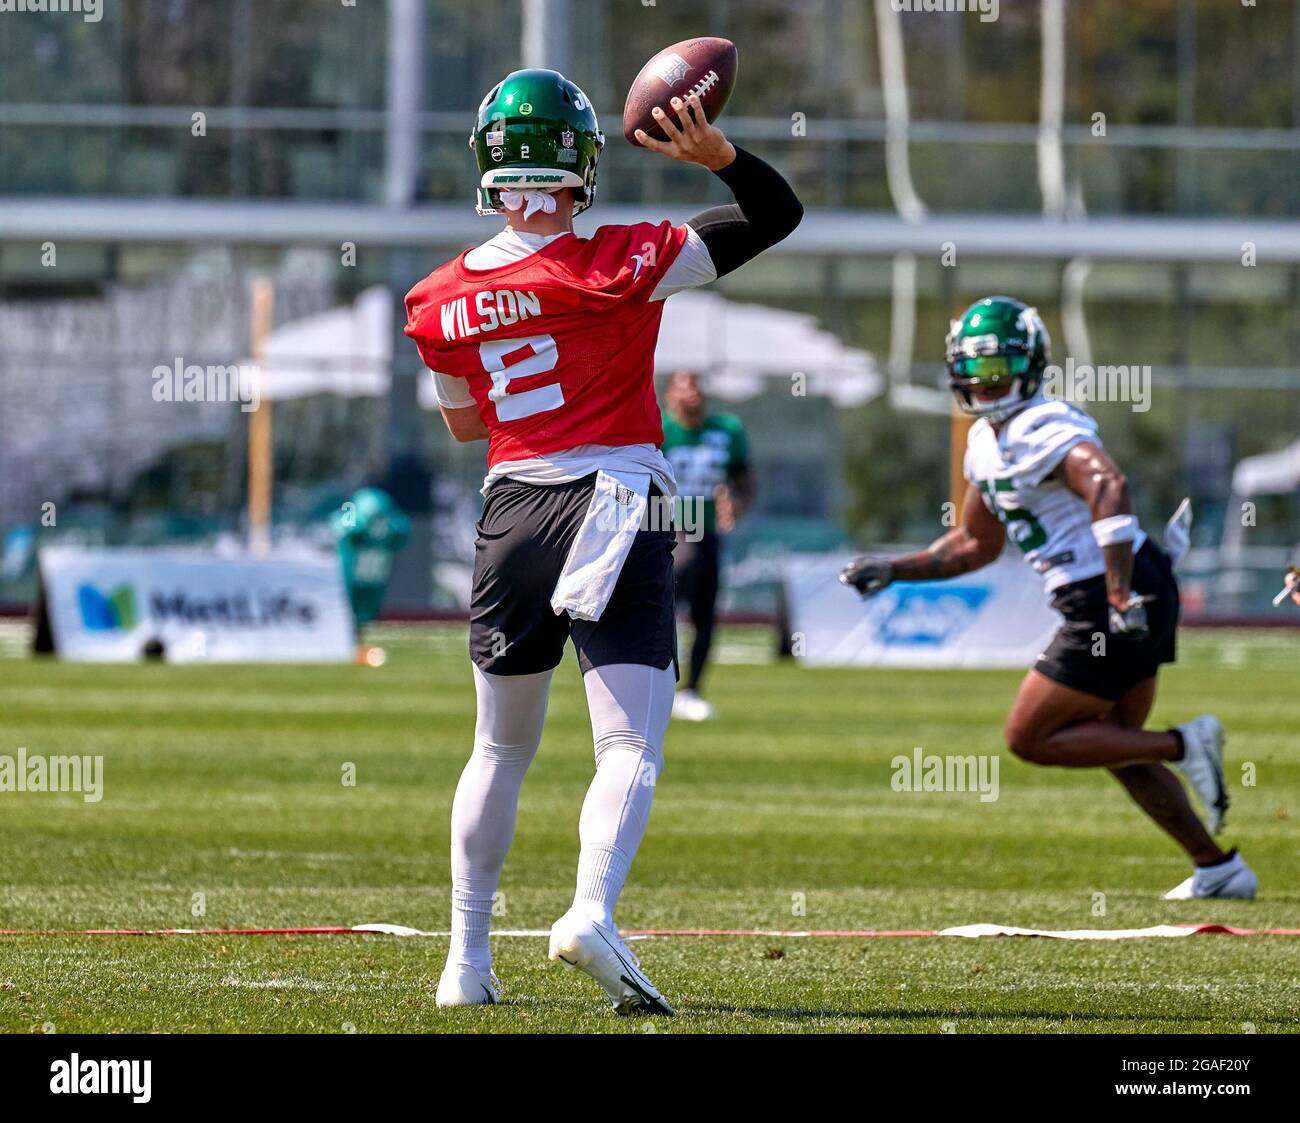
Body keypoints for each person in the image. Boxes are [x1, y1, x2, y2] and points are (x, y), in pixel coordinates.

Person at [404, 68, 801, 1013]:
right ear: (584, 161)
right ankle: (588, 909)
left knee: (498, 749)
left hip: (509, 512)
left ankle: (465, 962)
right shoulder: (626, 256)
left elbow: (467, 426)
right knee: (628, 742)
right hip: (618, 501)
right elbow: (775, 215)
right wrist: (721, 155)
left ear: (488, 164)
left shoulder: (436, 299)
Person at [840, 296, 1257, 901]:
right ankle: (1217, 866)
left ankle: (1188, 743)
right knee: (1112, 740)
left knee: (1029, 737)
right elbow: (972, 545)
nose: (984, 384)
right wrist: (894, 568)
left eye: (998, 369)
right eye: (974, 370)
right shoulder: (985, 442)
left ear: (1029, 366)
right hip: (1129, 585)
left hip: (1110, 591)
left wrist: (1116, 591)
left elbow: (1108, 483)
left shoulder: (1043, 423)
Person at [660, 370, 755, 721]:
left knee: (705, 613)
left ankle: (692, 691)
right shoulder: (658, 429)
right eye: (684, 387)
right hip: (665, 530)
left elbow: (744, 480)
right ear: (670, 395)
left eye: (698, 387)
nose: (693, 394)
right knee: (662, 609)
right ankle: (658, 686)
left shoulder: (726, 430)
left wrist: (738, 503)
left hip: (708, 530)